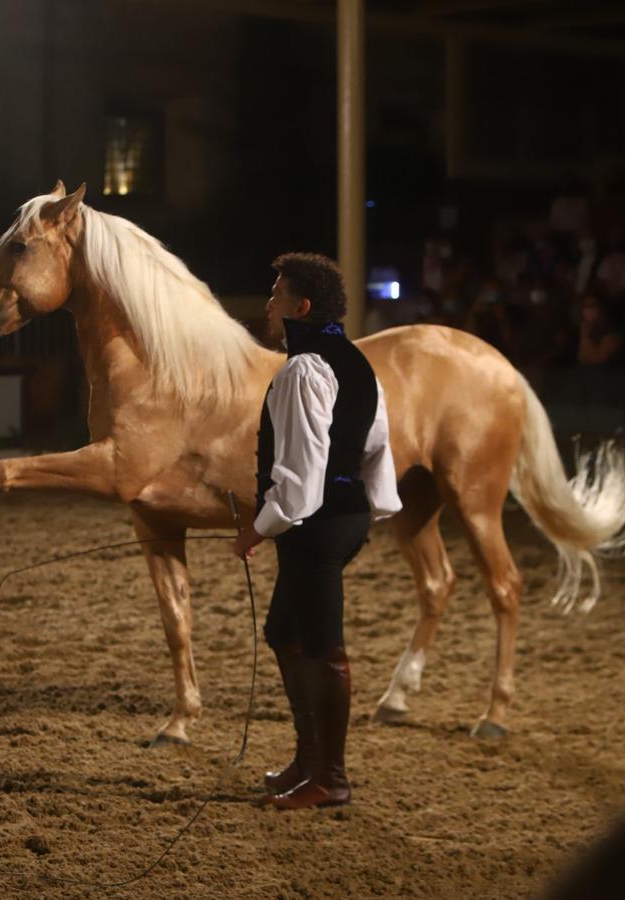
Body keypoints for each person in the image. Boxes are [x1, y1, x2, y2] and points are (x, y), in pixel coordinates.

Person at [233, 252, 402, 810]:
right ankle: (308, 762)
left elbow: (301, 477)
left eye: (278, 293)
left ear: (301, 307)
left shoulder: (305, 369)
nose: (269, 302)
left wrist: (258, 528)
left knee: (325, 648)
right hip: (340, 519)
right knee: (284, 632)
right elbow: (378, 446)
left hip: (318, 522)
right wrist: (370, 508)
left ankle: (330, 777)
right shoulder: (355, 361)